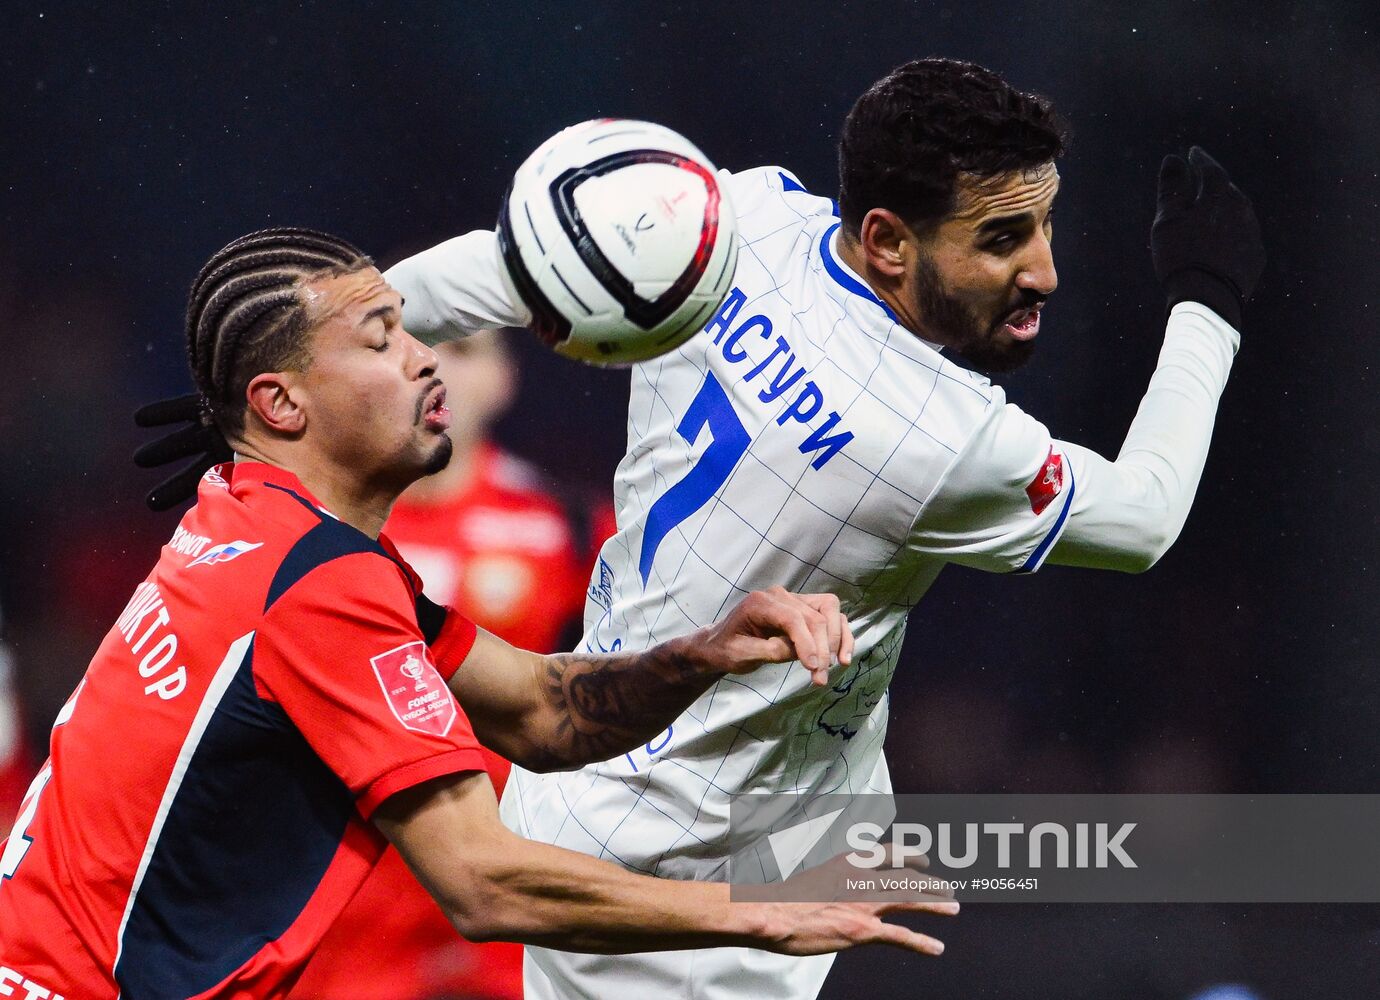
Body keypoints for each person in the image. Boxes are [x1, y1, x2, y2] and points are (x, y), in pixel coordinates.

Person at [379, 58, 1266, 999]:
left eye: (1046, 223)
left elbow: (513, 265)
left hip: (616, 792)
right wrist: (1208, 299)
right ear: (886, 241)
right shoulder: (941, 439)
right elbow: (1143, 516)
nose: (1044, 269)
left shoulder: (739, 220)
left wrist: (339, 343)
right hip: (690, 880)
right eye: (1002, 238)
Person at [0, 229, 957, 997]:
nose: (427, 361)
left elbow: (540, 708)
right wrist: (761, 912)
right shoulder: (314, 583)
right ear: (281, 405)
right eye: (383, 340)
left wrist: (702, 653)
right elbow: (483, 882)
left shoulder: (258, 523)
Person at [291, 330, 610, 1000]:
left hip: (520, 908)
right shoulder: (302, 535)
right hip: (346, 919)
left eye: (461, 349)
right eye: (400, 346)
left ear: (504, 379)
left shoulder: (575, 526)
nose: (431, 367)